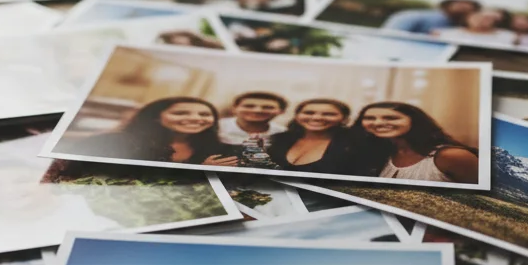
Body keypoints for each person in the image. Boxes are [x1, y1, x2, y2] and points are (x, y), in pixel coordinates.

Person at [73, 97, 240, 166]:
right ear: (156, 118)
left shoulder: (222, 150)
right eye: (180, 113)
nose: (197, 118)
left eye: (204, 114)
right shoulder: (110, 142)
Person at [351, 102, 480, 183]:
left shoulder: (451, 156)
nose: (377, 123)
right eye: (369, 118)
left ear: (415, 121)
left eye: (391, 118)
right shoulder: (378, 153)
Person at [267, 99, 355, 173]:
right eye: (309, 113)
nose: (317, 118)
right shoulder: (277, 139)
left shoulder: (352, 145)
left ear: (344, 119)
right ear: (297, 116)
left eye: (328, 114)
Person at [218, 92, 288, 146]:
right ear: (234, 108)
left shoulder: (283, 134)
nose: (257, 110)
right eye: (249, 106)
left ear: (281, 111)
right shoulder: (216, 127)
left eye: (268, 107)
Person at [383, 0, 482, 35]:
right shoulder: (413, 16)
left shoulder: (460, 27)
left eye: (468, 9)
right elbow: (391, 36)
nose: (463, 9)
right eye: (460, 5)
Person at [432, 8, 516, 46]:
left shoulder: (508, 36)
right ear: (467, 18)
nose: (480, 20)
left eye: (487, 18)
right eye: (477, 16)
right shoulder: (444, 33)